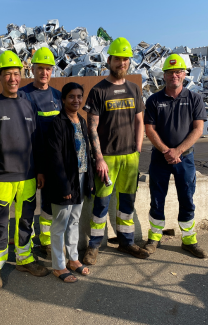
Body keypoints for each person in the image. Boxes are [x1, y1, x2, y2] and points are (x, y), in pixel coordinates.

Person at [0, 50, 49, 290]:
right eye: (8, 74)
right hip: (1, 180)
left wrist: (39, 170)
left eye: (16, 74)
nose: (13, 78)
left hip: (28, 177)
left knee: (26, 222)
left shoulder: (28, 105)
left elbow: (36, 142)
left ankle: (24, 259)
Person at [82, 37, 148, 265]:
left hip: (130, 157)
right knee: (101, 202)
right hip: (107, 158)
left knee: (127, 202)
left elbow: (140, 122)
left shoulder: (133, 89)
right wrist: (98, 158)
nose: (122, 63)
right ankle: (93, 246)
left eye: (126, 59)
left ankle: (126, 241)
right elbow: (92, 127)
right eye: (118, 58)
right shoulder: (99, 91)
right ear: (109, 60)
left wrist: (137, 149)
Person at [144, 53, 208, 259]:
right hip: (160, 158)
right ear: (164, 75)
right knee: (156, 199)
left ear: (184, 74)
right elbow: (149, 129)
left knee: (187, 198)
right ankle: (154, 238)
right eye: (170, 72)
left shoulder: (194, 99)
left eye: (178, 72)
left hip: (185, 159)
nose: (175, 75)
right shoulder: (154, 100)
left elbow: (198, 129)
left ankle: (189, 241)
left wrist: (178, 151)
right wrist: (166, 151)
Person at [46, 82, 94, 283]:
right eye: (71, 96)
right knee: (60, 224)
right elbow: (55, 158)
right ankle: (58, 265)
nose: (76, 100)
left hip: (80, 178)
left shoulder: (81, 121)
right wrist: (64, 185)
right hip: (64, 181)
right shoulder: (57, 123)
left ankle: (73, 259)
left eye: (79, 96)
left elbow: (86, 153)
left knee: (74, 220)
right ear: (63, 99)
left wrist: (89, 180)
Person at [18, 47, 62, 256]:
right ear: (32, 69)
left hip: (51, 161)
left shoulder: (58, 96)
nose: (44, 73)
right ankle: (24, 247)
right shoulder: (23, 95)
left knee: (48, 203)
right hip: (27, 161)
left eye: (48, 69)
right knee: (25, 207)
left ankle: (45, 242)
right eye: (40, 68)